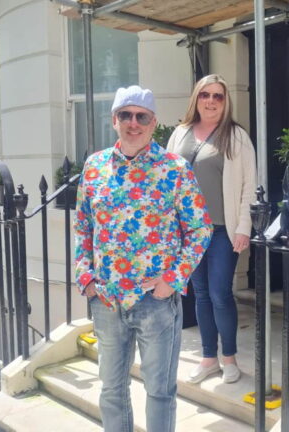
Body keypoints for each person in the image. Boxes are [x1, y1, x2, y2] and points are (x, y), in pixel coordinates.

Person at [74, 85, 212, 432]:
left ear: (153, 124)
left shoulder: (175, 169)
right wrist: (85, 277)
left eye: (141, 117)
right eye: (126, 115)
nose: (133, 123)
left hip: (155, 302)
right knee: (111, 390)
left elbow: (200, 230)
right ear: (114, 120)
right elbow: (82, 227)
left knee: (160, 392)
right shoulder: (94, 167)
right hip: (106, 300)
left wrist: (172, 281)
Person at [166, 74, 256, 384]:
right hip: (189, 231)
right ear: (196, 98)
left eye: (218, 96)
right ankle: (208, 359)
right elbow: (167, 182)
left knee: (220, 293)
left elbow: (248, 185)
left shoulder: (236, 136)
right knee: (200, 294)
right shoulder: (180, 134)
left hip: (221, 230)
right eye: (205, 95)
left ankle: (228, 358)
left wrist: (244, 227)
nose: (211, 101)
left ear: (225, 101)